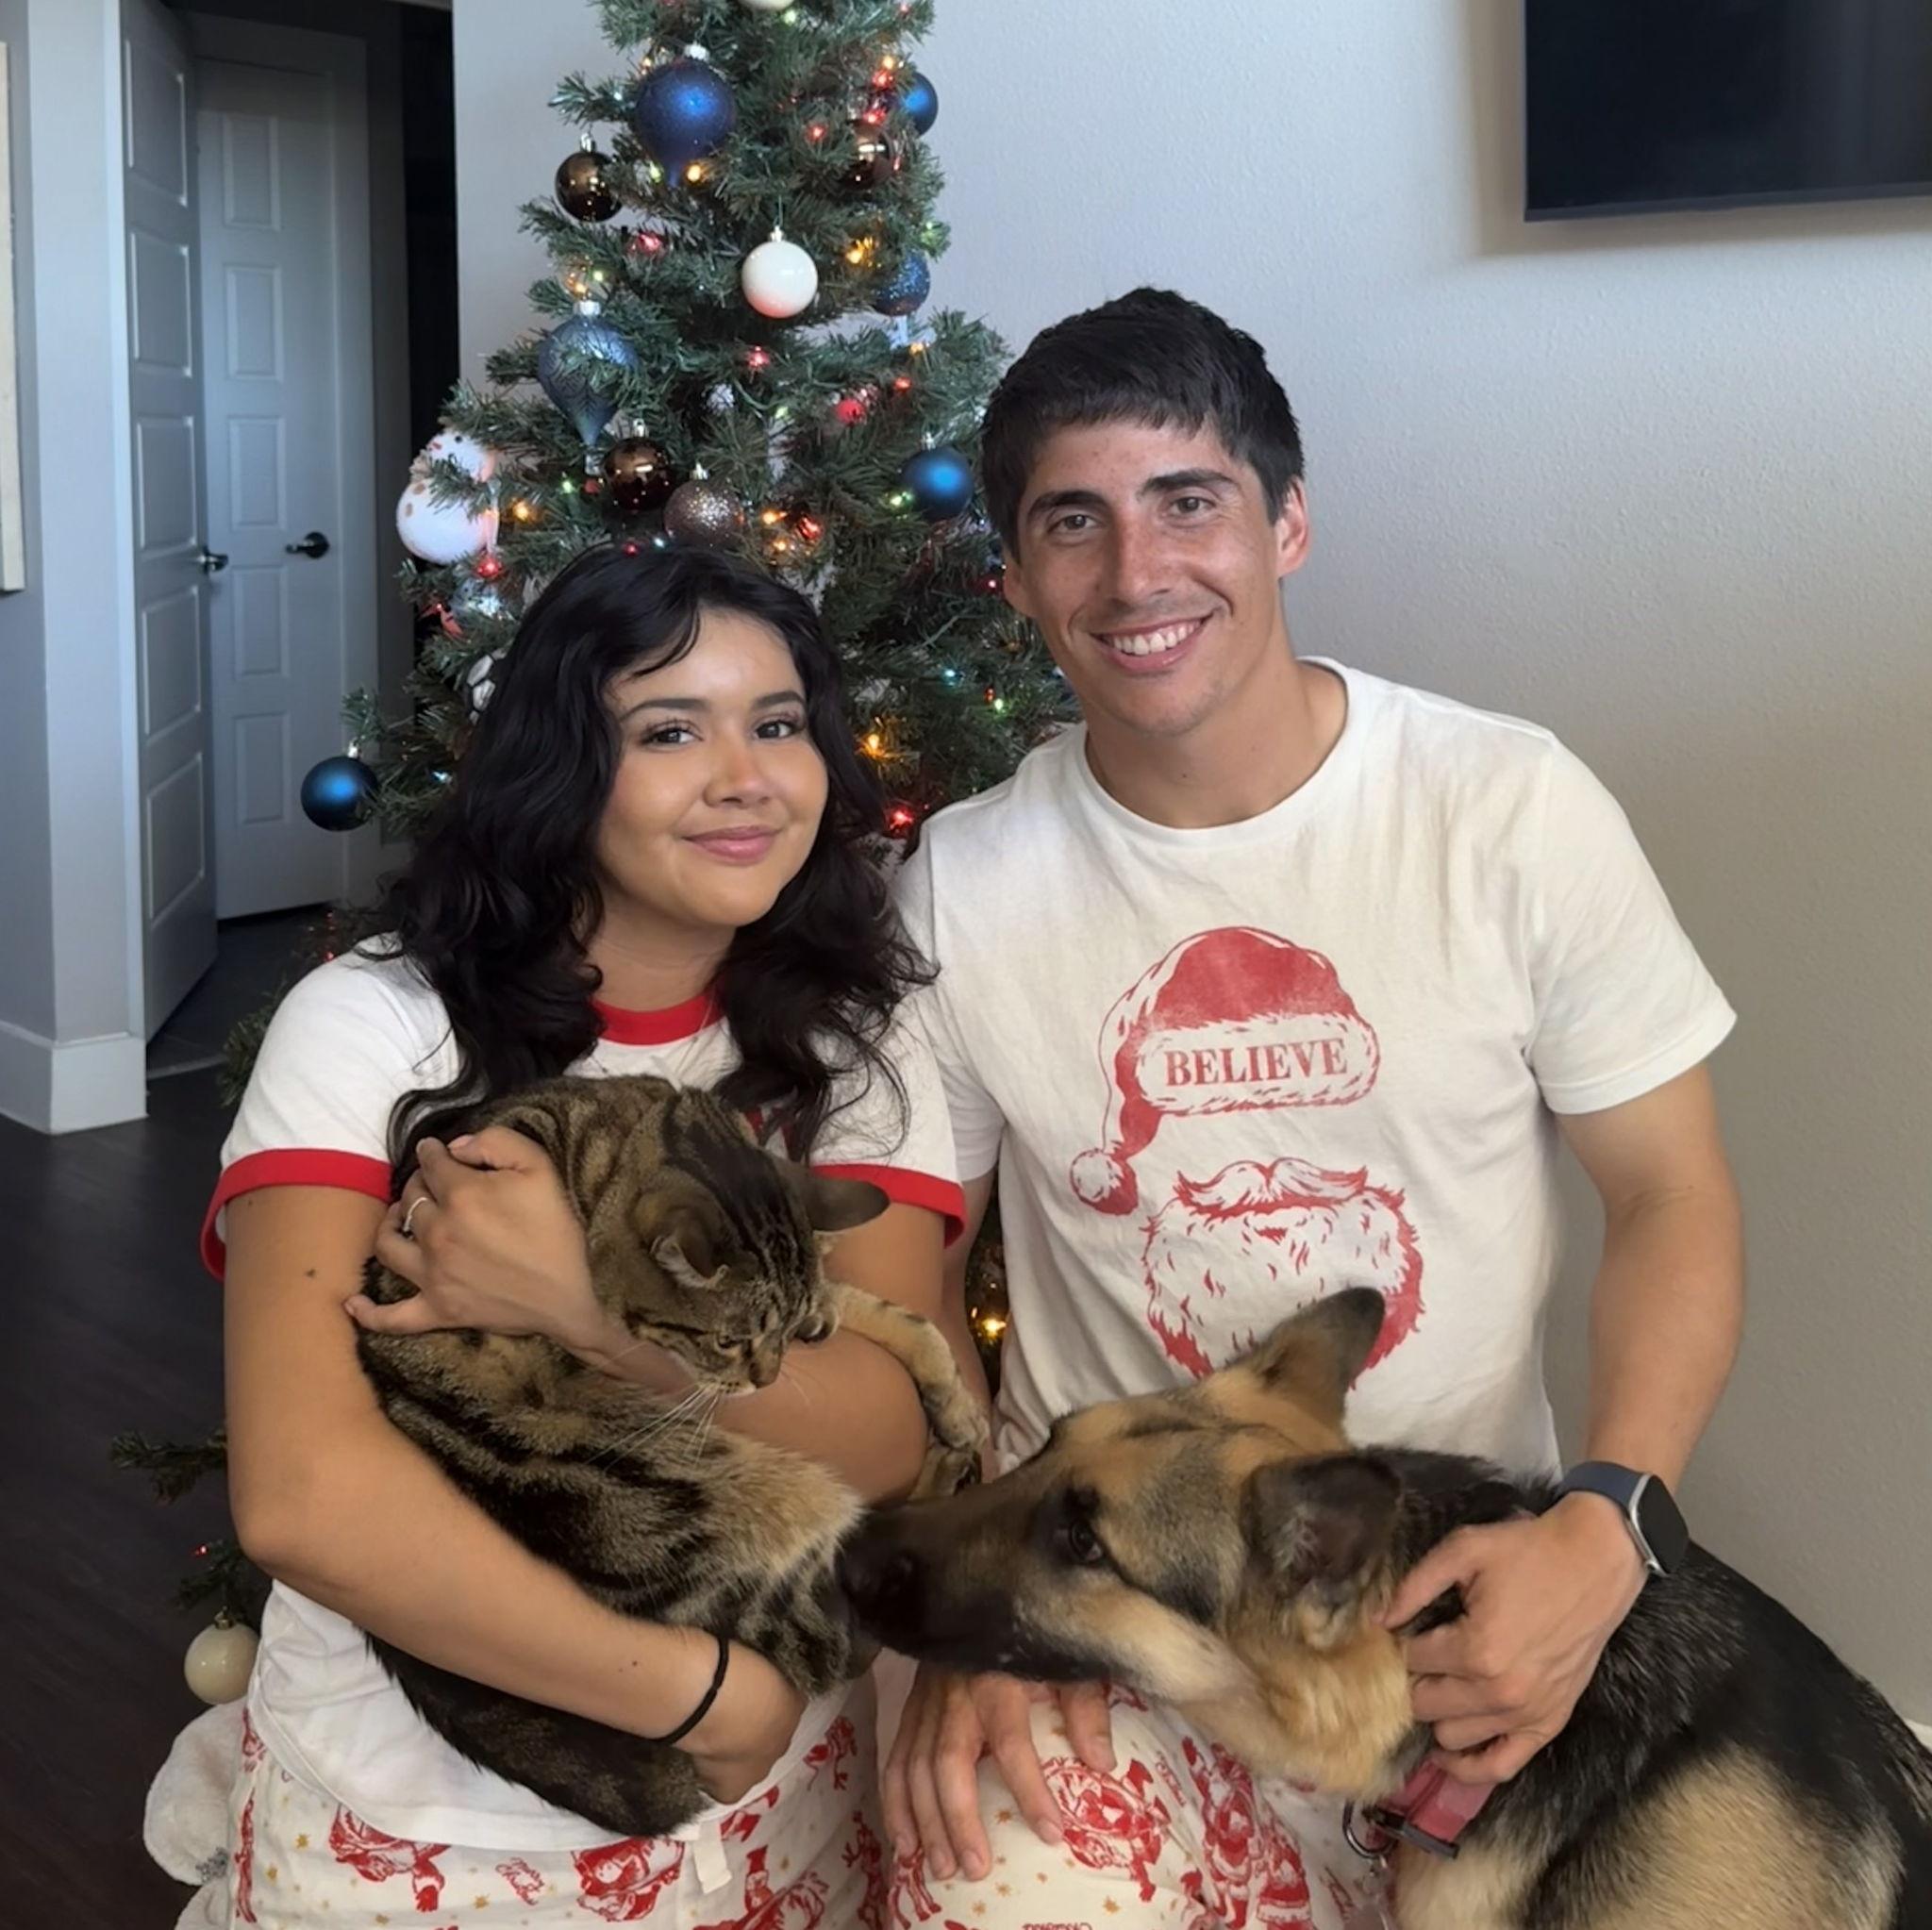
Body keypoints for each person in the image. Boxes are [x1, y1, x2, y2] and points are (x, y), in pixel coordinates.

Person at [881, 289, 1744, 1927]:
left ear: (1288, 520)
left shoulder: (1508, 809)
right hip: (1111, 1616)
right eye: (1074, 523)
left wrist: (1612, 1521)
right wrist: (968, 1607)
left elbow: (1672, 1195)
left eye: (1186, 502)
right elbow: (904, 1282)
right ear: (1013, 576)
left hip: (1472, 1603)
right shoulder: (962, 886)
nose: (1136, 577)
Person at [170, 544, 974, 1928]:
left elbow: (894, 1424)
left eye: (778, 724)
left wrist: (596, 1319)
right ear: (559, 767)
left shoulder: (857, 1033)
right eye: (670, 730)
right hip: (437, 1822)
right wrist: (699, 1696)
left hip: (779, 1818)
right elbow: (302, 1491)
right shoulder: (375, 1026)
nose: (748, 775)